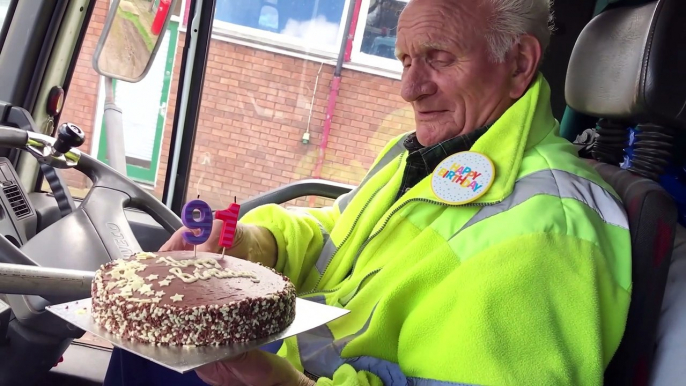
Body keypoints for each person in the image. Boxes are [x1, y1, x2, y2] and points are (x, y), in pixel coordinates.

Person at [108, 0, 632, 384]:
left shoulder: (549, 227)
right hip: (289, 358)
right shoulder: (429, 155)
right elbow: (339, 232)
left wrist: (281, 383)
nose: (409, 88)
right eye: (405, 59)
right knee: (140, 345)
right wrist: (251, 242)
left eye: (439, 57)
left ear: (518, 64)